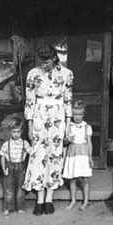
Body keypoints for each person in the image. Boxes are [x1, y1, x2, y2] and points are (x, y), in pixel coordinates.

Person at [23, 40, 73, 215]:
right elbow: (29, 101)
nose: (44, 65)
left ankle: (50, 198)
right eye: (41, 61)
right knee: (38, 155)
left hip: (58, 117)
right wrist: (29, 126)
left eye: (47, 61)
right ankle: (40, 199)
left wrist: (67, 126)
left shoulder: (67, 74)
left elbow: (68, 100)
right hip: (39, 116)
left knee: (54, 155)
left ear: (54, 57)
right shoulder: (33, 74)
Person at [63, 100, 93, 211]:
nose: (77, 117)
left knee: (85, 179)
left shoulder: (87, 127)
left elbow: (89, 144)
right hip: (73, 156)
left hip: (84, 156)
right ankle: (73, 200)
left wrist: (90, 157)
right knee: (72, 179)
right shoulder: (68, 127)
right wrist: (67, 140)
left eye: (80, 114)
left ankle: (85, 201)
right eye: (75, 114)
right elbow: (64, 143)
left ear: (83, 114)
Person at [0, 117, 31, 216]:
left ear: (21, 131)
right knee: (9, 189)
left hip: (21, 168)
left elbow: (32, 154)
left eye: (18, 132)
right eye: (13, 132)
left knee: (20, 189)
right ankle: (7, 207)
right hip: (10, 167)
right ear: (10, 132)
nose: (16, 134)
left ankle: (20, 207)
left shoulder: (25, 143)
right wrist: (4, 168)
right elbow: (3, 157)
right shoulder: (6, 144)